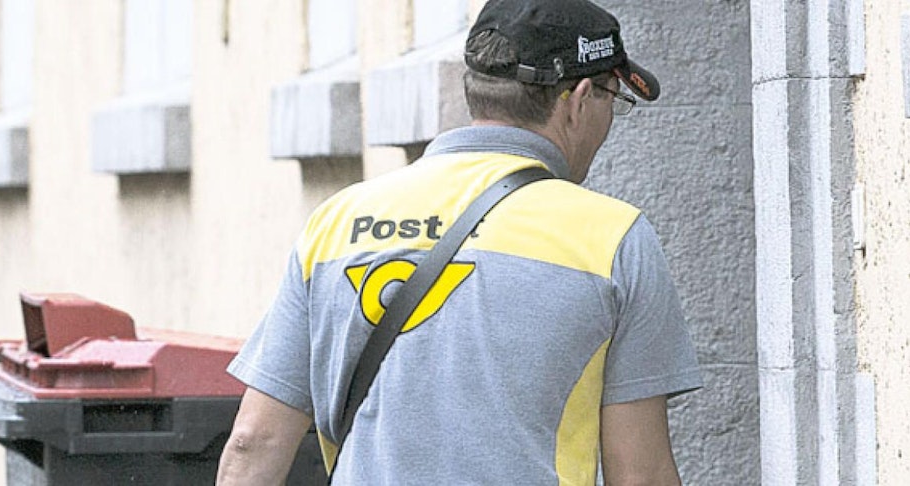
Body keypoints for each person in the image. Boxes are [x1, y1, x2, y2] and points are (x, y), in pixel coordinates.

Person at [216, 0, 702, 484]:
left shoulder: (336, 223)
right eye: (612, 97)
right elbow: (641, 474)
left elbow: (252, 443)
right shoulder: (612, 239)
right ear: (577, 100)